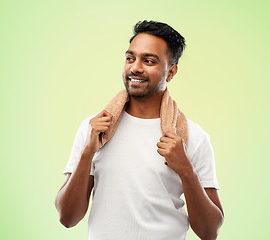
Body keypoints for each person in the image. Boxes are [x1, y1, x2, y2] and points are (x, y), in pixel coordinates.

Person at [55, 20, 224, 240]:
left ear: (171, 72)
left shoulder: (192, 137)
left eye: (149, 61)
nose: (135, 67)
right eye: (130, 58)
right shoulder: (95, 129)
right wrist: (88, 153)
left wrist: (186, 170)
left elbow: (209, 232)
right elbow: (67, 218)